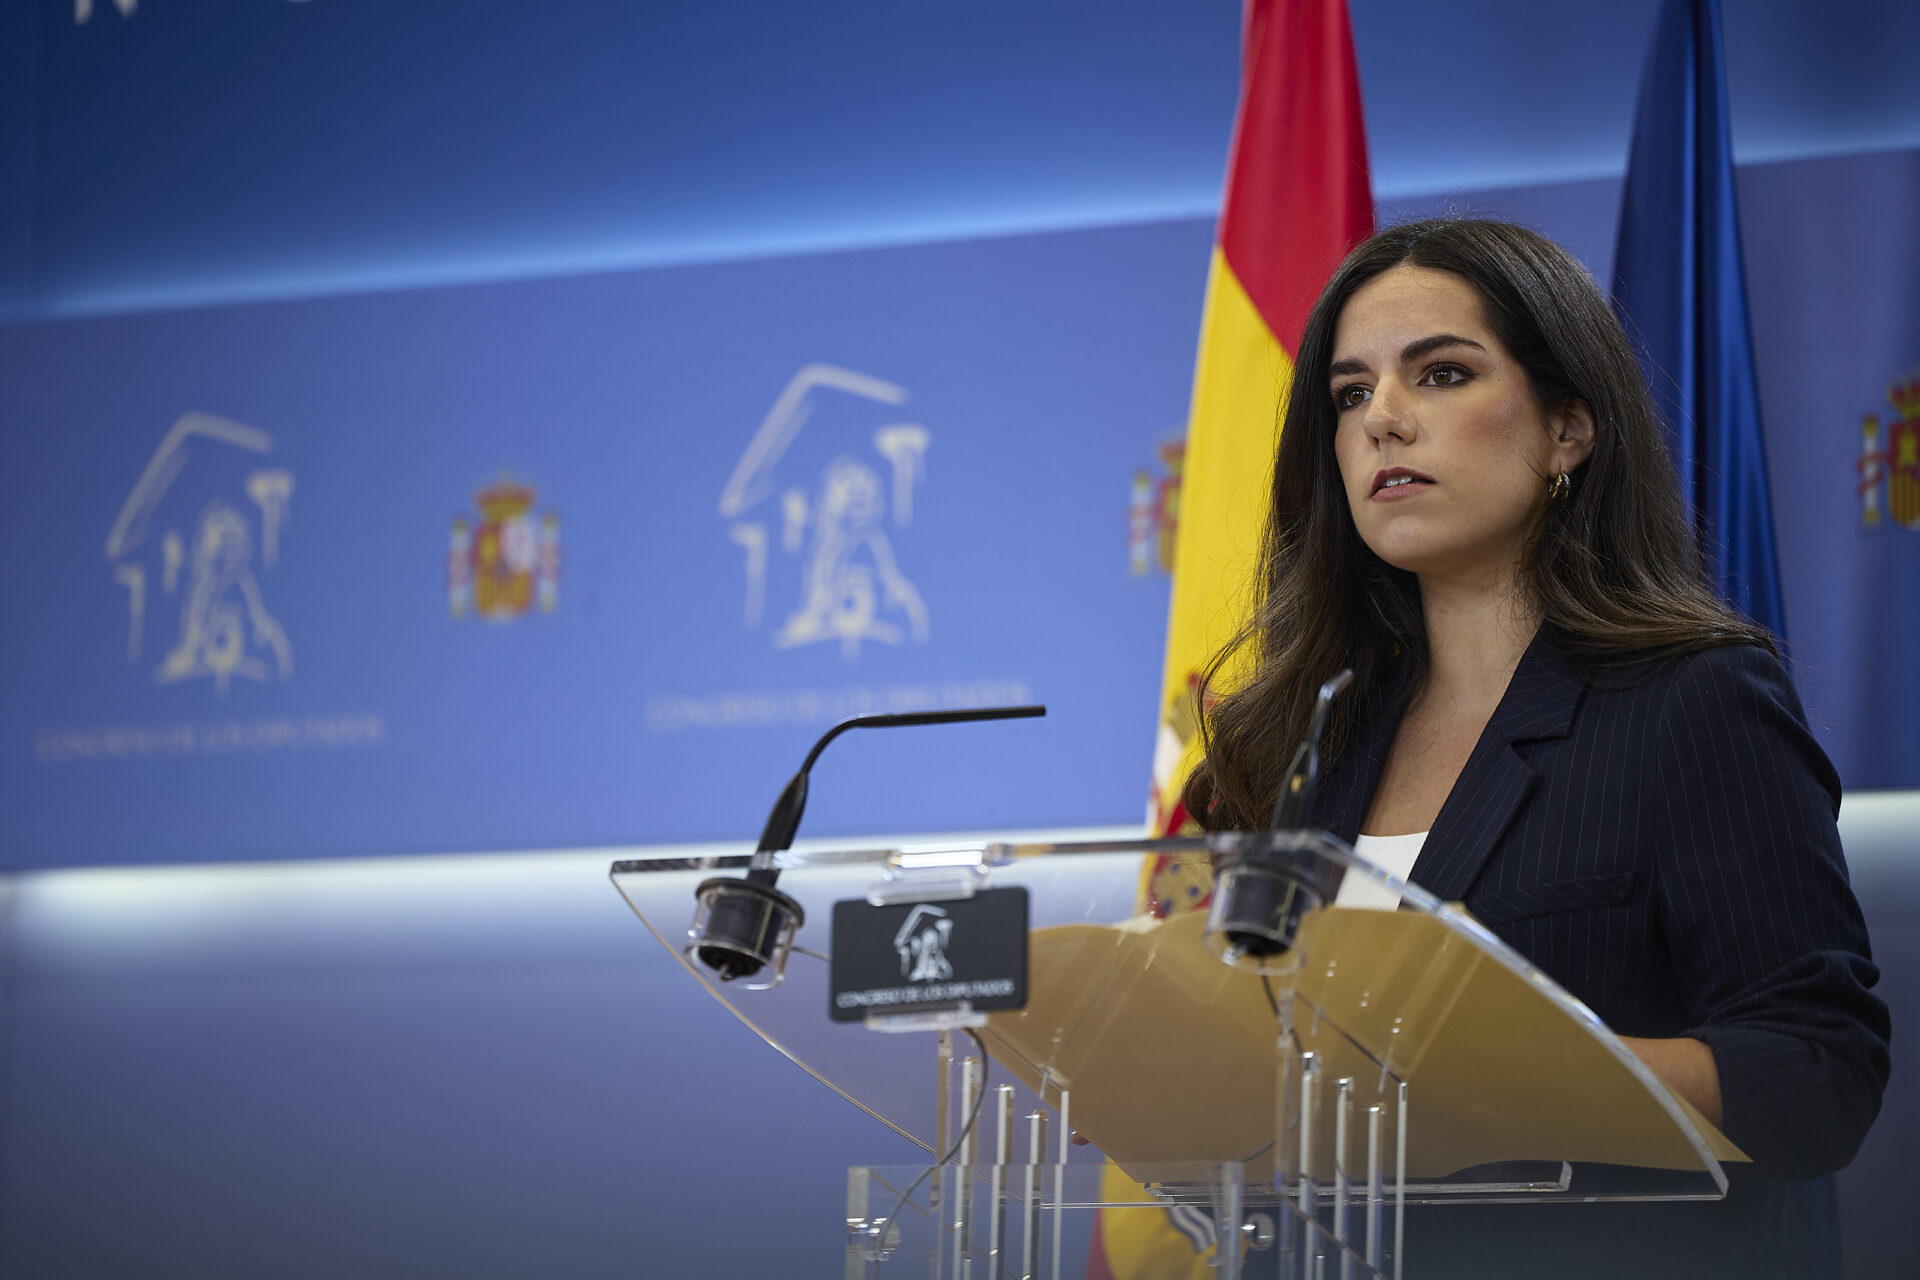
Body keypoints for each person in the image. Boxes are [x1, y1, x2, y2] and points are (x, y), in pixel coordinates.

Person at [1177, 217, 1890, 1278]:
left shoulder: (1693, 702)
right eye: (1351, 394)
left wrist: (1516, 1078)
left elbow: (1819, 1073)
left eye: (1442, 374)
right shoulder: (1295, 740)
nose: (1384, 420)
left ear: (1568, 429)